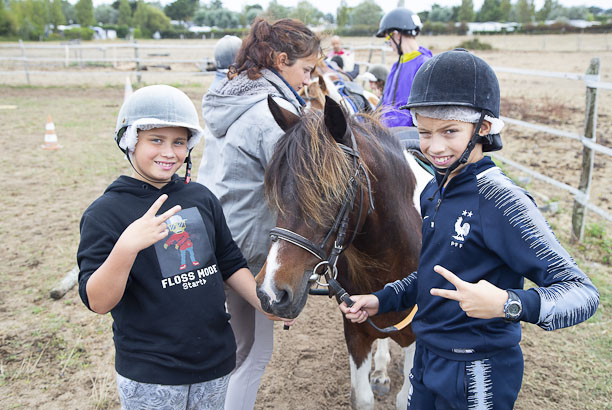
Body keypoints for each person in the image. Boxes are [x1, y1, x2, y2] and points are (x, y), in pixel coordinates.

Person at [339, 49, 599, 409]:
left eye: (450, 131)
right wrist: (381, 299)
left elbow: (582, 293)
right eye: (424, 132)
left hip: (479, 373)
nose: (435, 147)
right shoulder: (433, 190)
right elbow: (432, 274)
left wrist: (508, 303)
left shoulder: (502, 202)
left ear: (484, 127)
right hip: (427, 360)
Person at [77, 84, 287, 410]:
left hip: (215, 362)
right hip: (151, 374)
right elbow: (99, 301)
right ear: (130, 141)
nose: (169, 152)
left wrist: (265, 304)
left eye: (178, 142)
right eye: (155, 140)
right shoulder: (105, 213)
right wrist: (126, 248)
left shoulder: (200, 197)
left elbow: (228, 261)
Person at [197, 18, 320, 410]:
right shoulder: (273, 112)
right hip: (246, 250)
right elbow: (303, 187)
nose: (308, 79)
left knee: (234, 352)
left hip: (221, 235)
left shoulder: (238, 96)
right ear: (282, 61)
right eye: (306, 69)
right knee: (250, 356)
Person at [375, 7, 432, 128]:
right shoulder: (397, 65)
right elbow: (385, 102)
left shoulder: (424, 64)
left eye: (387, 37)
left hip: (407, 134)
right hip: (388, 131)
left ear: (396, 34)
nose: (388, 43)